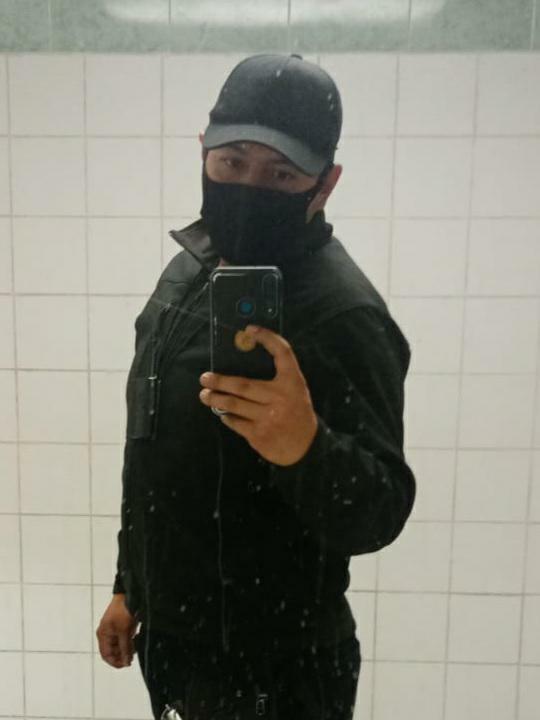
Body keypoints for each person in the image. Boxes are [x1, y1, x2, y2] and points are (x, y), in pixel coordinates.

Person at [96, 53, 416, 720]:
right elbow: (150, 448)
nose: (249, 185)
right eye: (233, 161)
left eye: (281, 173)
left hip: (281, 668)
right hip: (182, 649)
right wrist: (130, 587)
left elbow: (381, 510)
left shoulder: (344, 314)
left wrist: (306, 448)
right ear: (203, 152)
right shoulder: (185, 276)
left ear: (324, 183)